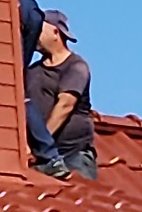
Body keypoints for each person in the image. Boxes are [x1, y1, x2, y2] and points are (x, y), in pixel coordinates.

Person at [27, 9, 96, 180]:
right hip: (44, 159)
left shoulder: (76, 66)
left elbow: (65, 105)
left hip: (73, 157)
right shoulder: (32, 71)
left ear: (55, 32)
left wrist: (39, 141)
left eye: (39, 29)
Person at [18, 0, 71, 178]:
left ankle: (49, 157)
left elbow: (66, 103)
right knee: (17, 89)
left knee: (14, 90)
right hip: (28, 5)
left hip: (15, 5)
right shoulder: (36, 70)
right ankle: (50, 156)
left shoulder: (75, 66)